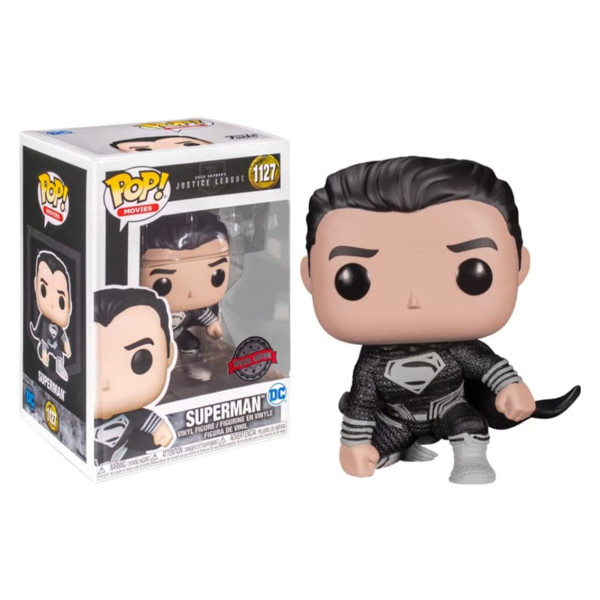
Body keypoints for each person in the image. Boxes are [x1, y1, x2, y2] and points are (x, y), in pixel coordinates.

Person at [301, 156, 579, 484]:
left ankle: (471, 458)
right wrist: (354, 443)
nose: (413, 299)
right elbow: (362, 402)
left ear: (519, 266)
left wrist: (510, 385)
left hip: (450, 407)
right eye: (353, 279)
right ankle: (401, 450)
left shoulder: (456, 348)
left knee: (468, 423)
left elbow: (485, 364)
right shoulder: (372, 363)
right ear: (310, 276)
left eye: (473, 273)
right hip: (396, 418)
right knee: (378, 451)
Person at [94, 287, 176, 465]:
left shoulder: (133, 414)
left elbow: (144, 418)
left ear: (168, 355)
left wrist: (159, 428)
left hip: (123, 455)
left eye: (141, 360)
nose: (104, 383)